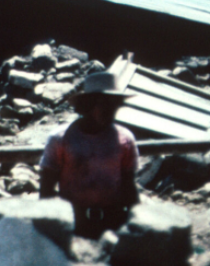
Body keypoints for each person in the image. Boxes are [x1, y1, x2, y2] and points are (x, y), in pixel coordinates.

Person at [39, 71, 140, 238]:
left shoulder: (125, 139)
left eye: (114, 104)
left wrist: (136, 223)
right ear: (87, 105)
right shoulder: (60, 138)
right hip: (73, 221)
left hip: (113, 221)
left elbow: (129, 186)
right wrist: (50, 226)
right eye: (103, 104)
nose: (110, 110)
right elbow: (46, 188)